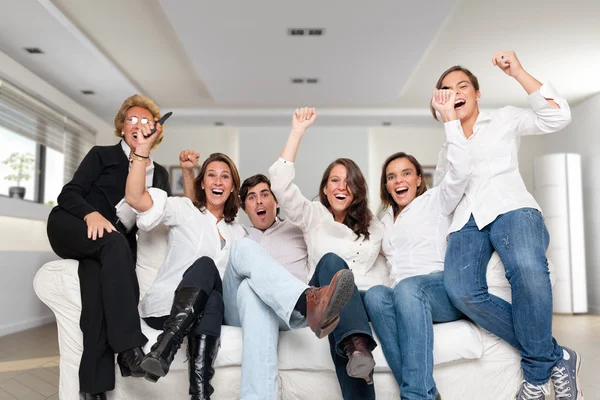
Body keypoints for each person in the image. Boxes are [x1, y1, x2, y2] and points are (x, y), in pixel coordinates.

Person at [433, 52, 581, 400]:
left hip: (511, 207)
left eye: (463, 85)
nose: (455, 92)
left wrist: (517, 72)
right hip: (467, 222)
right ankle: (555, 355)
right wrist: (450, 125)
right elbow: (447, 197)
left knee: (528, 269)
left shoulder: (504, 119)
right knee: (462, 291)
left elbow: (558, 116)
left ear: (477, 93)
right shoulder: (446, 148)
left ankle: (534, 375)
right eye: (446, 89)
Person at [178, 150, 356, 400]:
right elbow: (196, 218)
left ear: (277, 201)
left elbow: (335, 231)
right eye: (251, 197)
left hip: (287, 314)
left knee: (252, 292)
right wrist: (188, 173)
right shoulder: (236, 232)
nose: (259, 201)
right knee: (243, 256)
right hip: (240, 311)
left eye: (265, 195)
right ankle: (307, 301)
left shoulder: (299, 228)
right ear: (243, 206)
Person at [46, 94, 170, 400]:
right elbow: (69, 194)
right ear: (122, 126)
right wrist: (91, 213)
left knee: (97, 299)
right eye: (131, 119)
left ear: (155, 130)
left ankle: (94, 389)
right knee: (113, 242)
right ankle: (129, 350)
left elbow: (149, 219)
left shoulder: (161, 175)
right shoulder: (102, 155)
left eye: (145, 121)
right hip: (72, 223)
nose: (138, 125)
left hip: (106, 246)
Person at [269, 107, 386, 400]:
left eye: (348, 181)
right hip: (327, 300)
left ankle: (356, 345)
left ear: (358, 190)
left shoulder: (375, 226)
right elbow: (280, 185)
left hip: (359, 301)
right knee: (333, 267)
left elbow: (384, 269)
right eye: (334, 180)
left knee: (344, 304)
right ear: (324, 187)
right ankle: (358, 347)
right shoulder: (312, 214)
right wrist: (297, 131)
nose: (341, 186)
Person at [363, 87, 471, 400]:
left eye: (405, 174)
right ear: (385, 185)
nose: (399, 181)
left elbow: (461, 170)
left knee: (408, 288)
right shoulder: (383, 222)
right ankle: (424, 392)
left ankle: (415, 396)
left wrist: (449, 118)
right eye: (392, 177)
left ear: (418, 179)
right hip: (402, 298)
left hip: (440, 292)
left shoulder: (436, 201)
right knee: (376, 295)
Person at [125, 126, 244, 399]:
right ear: (202, 183)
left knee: (214, 298)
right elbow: (136, 198)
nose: (217, 181)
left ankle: (196, 391)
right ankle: (166, 346)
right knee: (205, 264)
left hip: (208, 312)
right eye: (211, 175)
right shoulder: (185, 210)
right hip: (165, 309)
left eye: (225, 177)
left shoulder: (239, 233)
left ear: (232, 187)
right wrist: (142, 153)